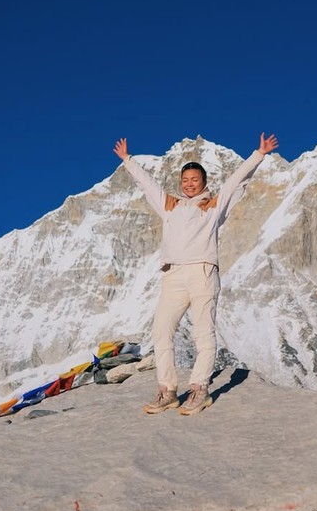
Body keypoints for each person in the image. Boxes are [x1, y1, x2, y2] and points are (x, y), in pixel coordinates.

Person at [113, 133, 279, 415]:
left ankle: (199, 389)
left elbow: (236, 180)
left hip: (202, 273)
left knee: (204, 333)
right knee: (161, 332)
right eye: (185, 180)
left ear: (203, 183)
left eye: (195, 180)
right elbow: (148, 184)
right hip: (173, 275)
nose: (189, 184)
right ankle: (167, 391)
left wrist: (258, 154)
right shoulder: (169, 205)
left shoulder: (213, 206)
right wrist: (128, 160)